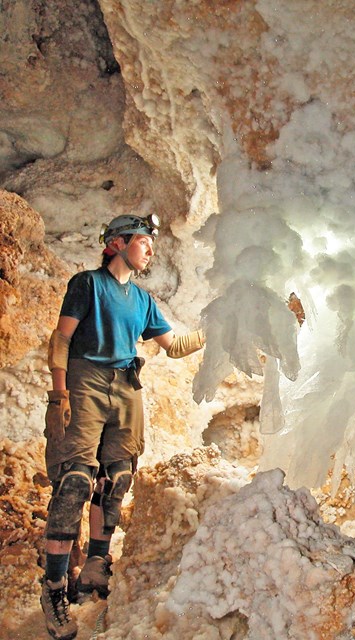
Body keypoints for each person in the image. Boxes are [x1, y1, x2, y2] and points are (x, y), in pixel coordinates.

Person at [40, 214, 205, 640]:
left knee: (117, 477)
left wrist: (220, 328)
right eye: (144, 240)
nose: (150, 248)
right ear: (116, 243)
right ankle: (54, 589)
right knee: (76, 480)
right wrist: (59, 395)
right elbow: (61, 339)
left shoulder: (143, 300)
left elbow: (176, 347)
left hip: (126, 387)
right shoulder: (88, 284)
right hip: (85, 379)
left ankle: (95, 566)